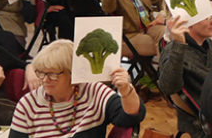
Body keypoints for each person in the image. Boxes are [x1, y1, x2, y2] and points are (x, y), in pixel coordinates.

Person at [9, 40, 145, 137]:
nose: (45, 80)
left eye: (52, 74)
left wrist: (126, 90)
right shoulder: (28, 104)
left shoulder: (94, 92)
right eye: (41, 73)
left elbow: (131, 116)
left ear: (72, 73)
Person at [158, 0, 212, 137]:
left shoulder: (206, 43)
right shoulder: (175, 50)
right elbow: (168, 87)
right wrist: (179, 44)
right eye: (208, 18)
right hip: (205, 124)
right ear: (188, 24)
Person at [100, 0, 165, 57]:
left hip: (149, 25)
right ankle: (162, 70)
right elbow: (108, 8)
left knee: (170, 35)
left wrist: (162, 14)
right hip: (129, 35)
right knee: (163, 44)